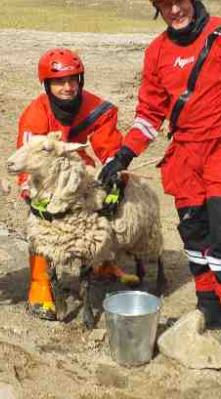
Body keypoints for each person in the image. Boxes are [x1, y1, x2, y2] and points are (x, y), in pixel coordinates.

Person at [98, 0, 221, 368]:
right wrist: (123, 155)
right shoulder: (157, 52)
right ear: (157, 9)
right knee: (195, 236)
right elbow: (149, 114)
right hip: (184, 157)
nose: (175, 9)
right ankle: (207, 303)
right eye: (165, 5)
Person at [17, 48, 137, 320]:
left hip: (77, 167)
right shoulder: (36, 115)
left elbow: (108, 144)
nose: (68, 87)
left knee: (105, 209)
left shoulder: (96, 109)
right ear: (47, 85)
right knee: (40, 226)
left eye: (73, 80)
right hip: (45, 175)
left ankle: (102, 262)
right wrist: (28, 189)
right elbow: (28, 159)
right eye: (59, 81)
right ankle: (39, 286)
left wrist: (114, 170)